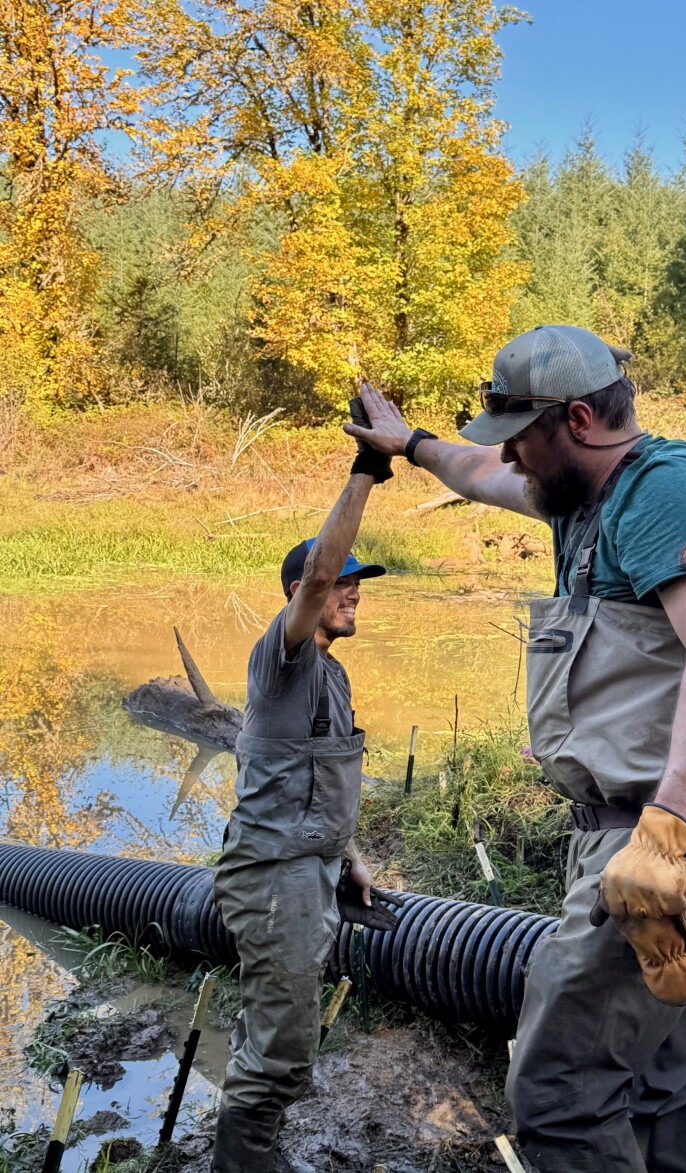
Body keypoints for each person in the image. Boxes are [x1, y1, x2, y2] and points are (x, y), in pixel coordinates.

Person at [345, 325, 686, 1173]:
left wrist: (664, 835)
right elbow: (479, 474)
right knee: (657, 1083)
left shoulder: (668, 494)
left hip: (669, 850)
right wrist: (412, 445)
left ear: (577, 419)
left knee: (558, 1094)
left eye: (521, 435)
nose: (508, 455)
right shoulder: (579, 492)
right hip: (630, 843)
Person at [211, 411, 397, 1172]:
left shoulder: (333, 675)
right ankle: (241, 1160)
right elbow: (320, 571)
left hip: (309, 869)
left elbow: (314, 775)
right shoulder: (280, 658)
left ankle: (255, 1150)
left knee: (287, 1030)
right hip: (272, 874)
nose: (351, 593)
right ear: (303, 591)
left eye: (357, 585)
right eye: (342, 583)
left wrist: (346, 854)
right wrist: (368, 469)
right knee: (284, 1045)